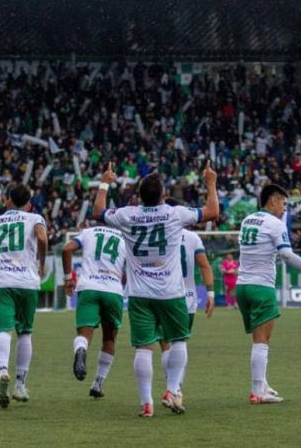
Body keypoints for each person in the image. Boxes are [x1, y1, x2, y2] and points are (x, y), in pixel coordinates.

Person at [93, 162, 219, 418]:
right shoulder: (176, 214)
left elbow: (98, 212)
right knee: (178, 340)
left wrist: (105, 182)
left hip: (139, 294)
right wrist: (211, 182)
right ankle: (172, 390)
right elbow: (213, 211)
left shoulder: (127, 214)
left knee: (143, 348)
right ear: (163, 195)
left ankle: (146, 402)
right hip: (171, 293)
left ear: (139, 196)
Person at [236, 184, 301, 404]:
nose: (284, 208)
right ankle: (257, 391)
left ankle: (262, 383)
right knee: (262, 341)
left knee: (261, 339)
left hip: (242, 286)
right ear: (272, 201)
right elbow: (287, 255)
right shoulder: (274, 224)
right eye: (283, 203)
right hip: (261, 287)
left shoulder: (247, 221)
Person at [0, 184, 48, 408]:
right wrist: (41, 263)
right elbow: (43, 239)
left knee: (3, 330)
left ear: (6, 200)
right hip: (27, 282)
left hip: (2, 282)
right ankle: (20, 384)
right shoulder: (34, 218)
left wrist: (2, 256)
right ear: (28, 203)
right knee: (25, 332)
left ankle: (2, 370)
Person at [61, 222, 126, 398]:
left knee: (84, 333)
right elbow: (128, 269)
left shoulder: (88, 232)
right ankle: (98, 383)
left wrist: (68, 279)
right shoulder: (124, 237)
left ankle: (81, 350)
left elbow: (67, 249)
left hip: (88, 287)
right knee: (109, 337)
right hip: (112, 289)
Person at [159, 227, 215, 406]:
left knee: (166, 345)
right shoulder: (192, 237)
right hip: (187, 298)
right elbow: (204, 265)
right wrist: (211, 293)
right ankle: (175, 390)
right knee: (180, 342)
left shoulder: (158, 234)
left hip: (163, 295)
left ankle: (172, 390)